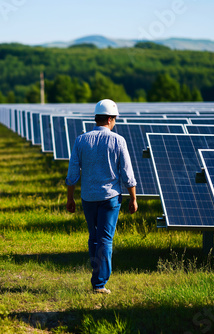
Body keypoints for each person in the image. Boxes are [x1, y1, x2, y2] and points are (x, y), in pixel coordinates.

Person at [65, 99, 138, 294]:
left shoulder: (81, 140)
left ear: (97, 118)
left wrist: (69, 198)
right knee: (105, 239)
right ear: (111, 119)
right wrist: (133, 198)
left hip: (88, 197)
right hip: (110, 198)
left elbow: (73, 172)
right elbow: (127, 173)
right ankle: (99, 283)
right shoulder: (118, 140)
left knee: (94, 237)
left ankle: (97, 274)